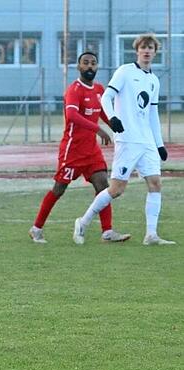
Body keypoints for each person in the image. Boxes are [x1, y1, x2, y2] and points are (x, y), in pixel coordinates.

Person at [73, 34, 174, 246]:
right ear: (137, 50)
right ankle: (83, 222)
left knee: (155, 183)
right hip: (128, 140)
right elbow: (107, 97)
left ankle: (151, 235)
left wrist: (159, 144)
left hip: (146, 141)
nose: (147, 51)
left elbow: (152, 115)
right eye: (143, 47)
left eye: (151, 48)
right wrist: (113, 118)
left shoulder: (154, 80)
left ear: (155, 52)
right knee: (117, 189)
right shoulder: (125, 71)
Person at [28, 51, 130, 244]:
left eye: (93, 63)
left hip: (91, 151)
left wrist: (117, 127)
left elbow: (103, 114)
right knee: (59, 189)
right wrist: (98, 129)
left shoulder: (99, 89)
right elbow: (72, 116)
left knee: (103, 185)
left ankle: (107, 232)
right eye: (86, 63)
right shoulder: (74, 90)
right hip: (72, 150)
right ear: (79, 66)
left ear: (97, 67)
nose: (90, 66)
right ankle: (36, 228)